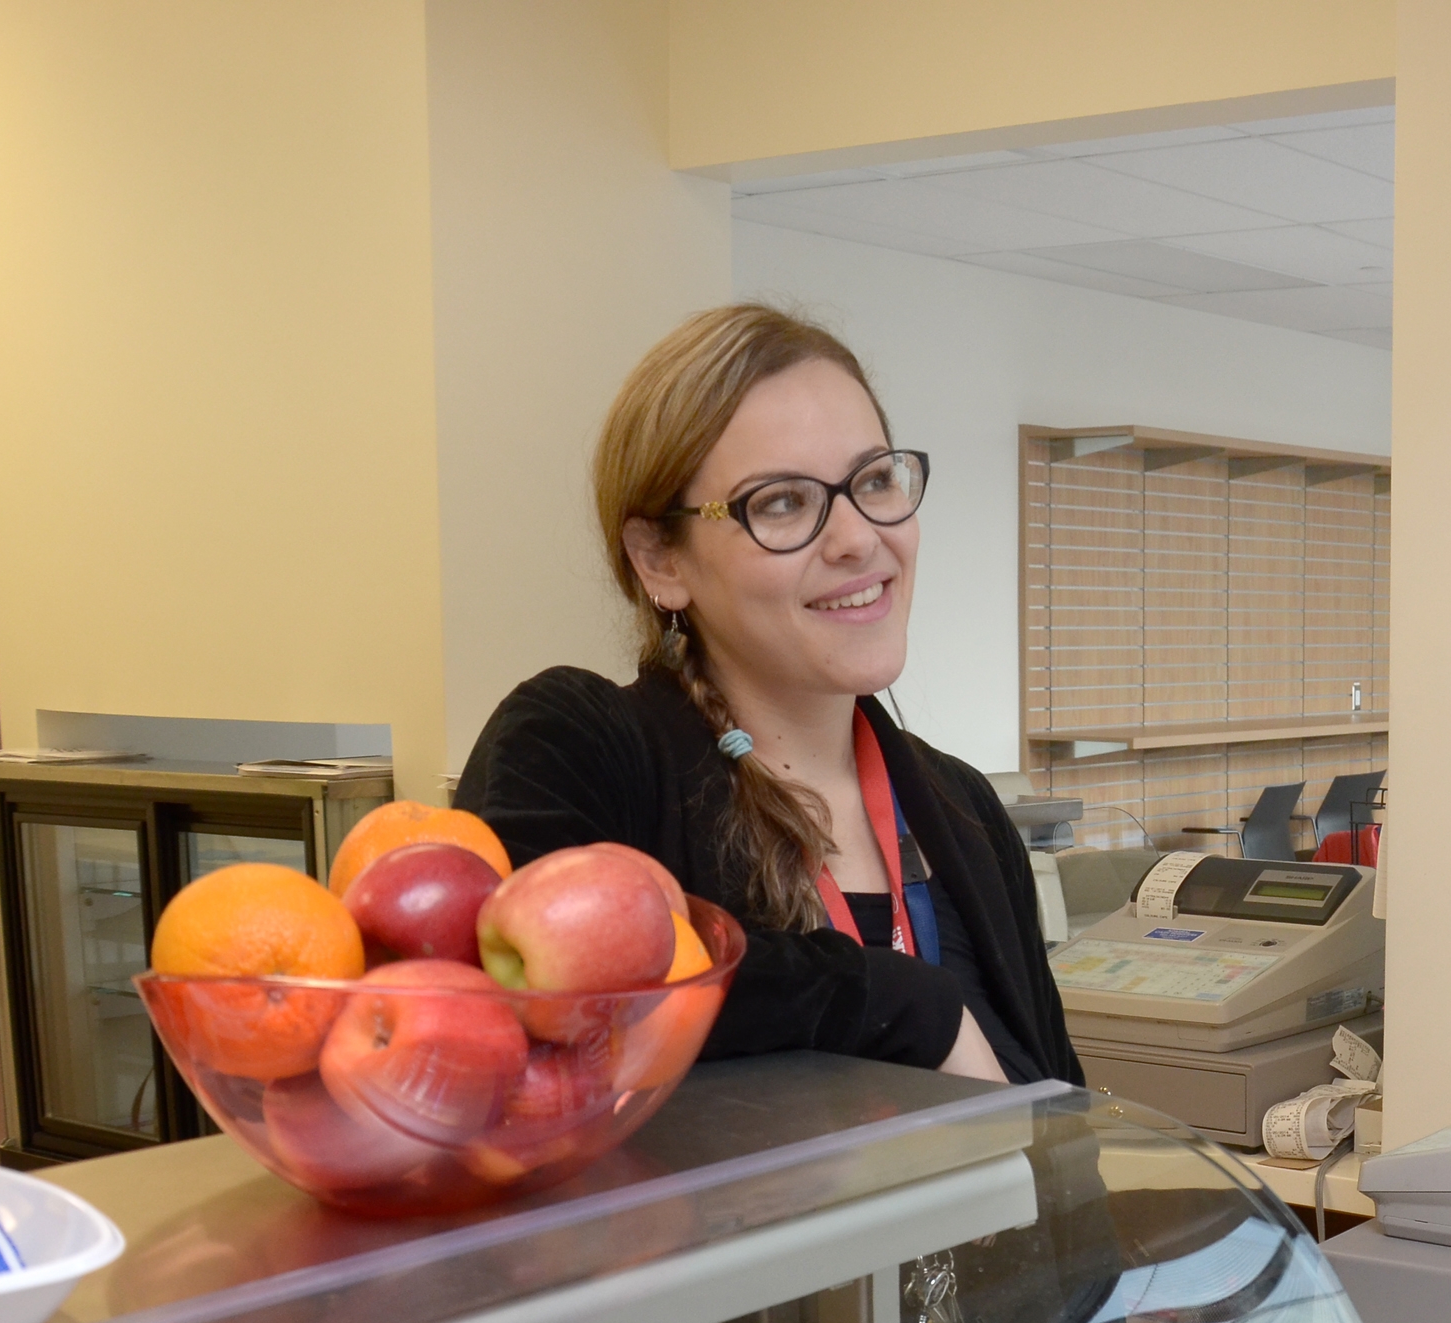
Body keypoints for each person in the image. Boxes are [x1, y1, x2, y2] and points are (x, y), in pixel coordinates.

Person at [461, 304, 1076, 1086]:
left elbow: (1065, 1134)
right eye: (783, 501)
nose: (857, 537)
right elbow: (551, 996)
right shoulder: (579, 747)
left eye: (874, 480)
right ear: (660, 561)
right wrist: (912, 1008)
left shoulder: (963, 811)